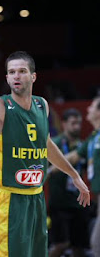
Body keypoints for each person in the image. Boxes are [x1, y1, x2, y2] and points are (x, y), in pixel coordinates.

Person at [0, 51, 90, 257]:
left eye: (22, 71)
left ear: (33, 76)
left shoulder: (42, 105)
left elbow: (47, 145)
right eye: (11, 72)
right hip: (9, 198)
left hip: (36, 198)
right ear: (6, 78)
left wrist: (73, 175)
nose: (16, 76)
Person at [58, 96, 100, 257]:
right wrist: (48, 168)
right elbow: (73, 157)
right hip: (97, 199)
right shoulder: (94, 136)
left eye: (92, 107)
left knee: (96, 244)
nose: (88, 109)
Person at [47, 108, 90, 257]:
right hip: (59, 204)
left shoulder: (84, 146)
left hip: (79, 203)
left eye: (79, 123)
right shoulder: (54, 145)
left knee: (80, 247)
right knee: (61, 244)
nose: (77, 127)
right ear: (63, 124)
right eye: (73, 123)